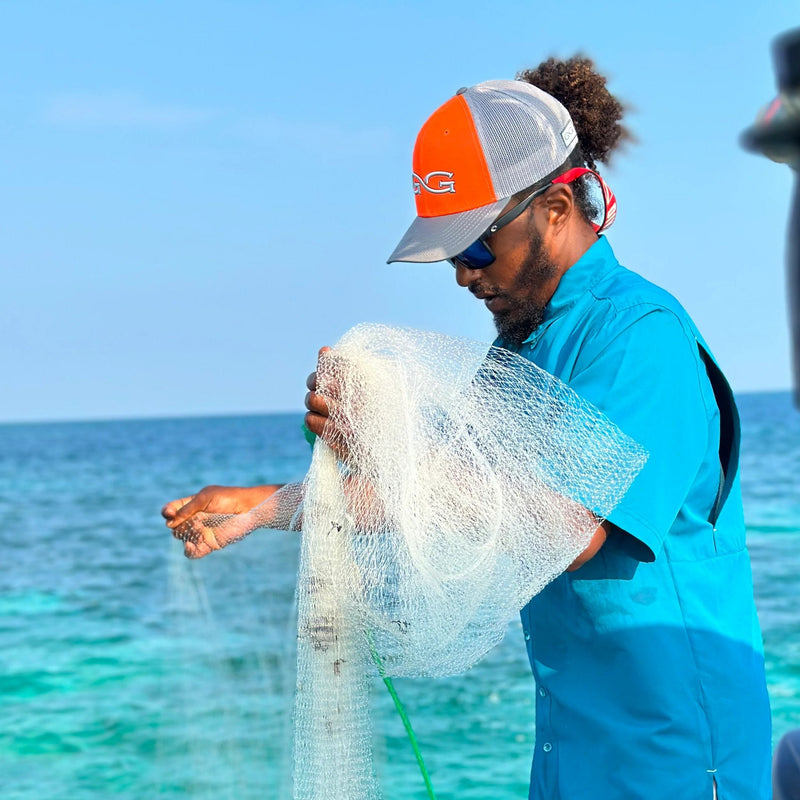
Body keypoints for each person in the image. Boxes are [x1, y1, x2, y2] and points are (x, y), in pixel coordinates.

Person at [163, 57, 772, 799]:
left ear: (555, 207)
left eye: (475, 245)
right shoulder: (519, 348)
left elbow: (569, 528)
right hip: (570, 756)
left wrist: (394, 446)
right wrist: (264, 506)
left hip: (671, 763)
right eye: (450, 253)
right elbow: (445, 499)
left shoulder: (639, 336)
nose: (462, 274)